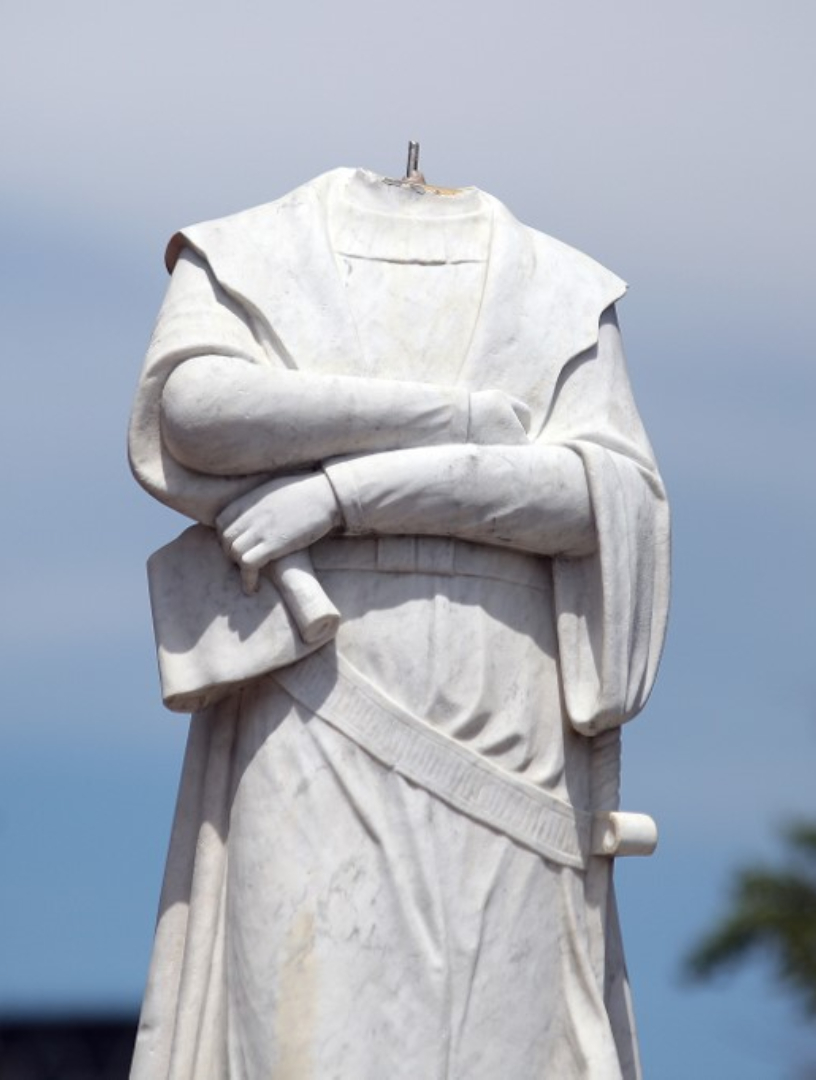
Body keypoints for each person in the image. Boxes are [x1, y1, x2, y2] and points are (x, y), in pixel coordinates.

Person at [125, 168, 669, 1079]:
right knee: (307, 1039)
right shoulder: (253, 253)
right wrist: (451, 419)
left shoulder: (564, 290)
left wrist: (341, 494)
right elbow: (193, 414)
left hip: (507, 714)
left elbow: (600, 498)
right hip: (311, 708)